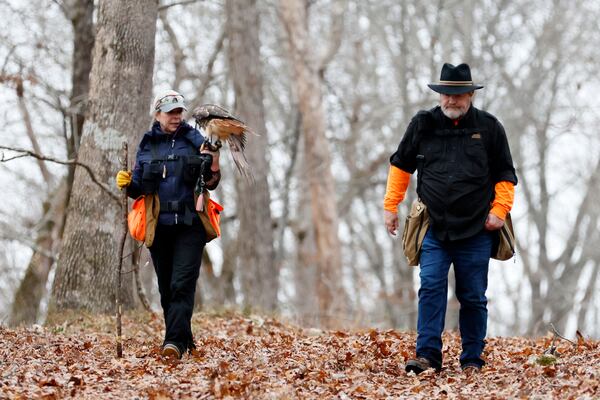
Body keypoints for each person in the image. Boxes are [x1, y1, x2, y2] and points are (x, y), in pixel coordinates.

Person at [383, 63, 517, 374]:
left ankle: (472, 359)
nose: (450, 101)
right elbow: (401, 165)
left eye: (457, 95)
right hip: (434, 227)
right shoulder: (423, 124)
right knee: (430, 286)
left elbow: (505, 175)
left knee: (472, 295)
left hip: (476, 229)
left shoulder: (490, 128)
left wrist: (499, 211)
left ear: (470, 94)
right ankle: (427, 356)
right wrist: (391, 206)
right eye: (445, 95)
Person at [116, 89, 221, 359]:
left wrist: (215, 159)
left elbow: (210, 181)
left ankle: (172, 343)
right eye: (171, 112)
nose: (176, 117)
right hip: (159, 227)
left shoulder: (194, 138)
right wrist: (128, 184)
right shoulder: (148, 144)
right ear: (158, 114)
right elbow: (139, 187)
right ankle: (183, 339)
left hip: (190, 225)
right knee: (166, 288)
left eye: (179, 112)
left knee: (182, 284)